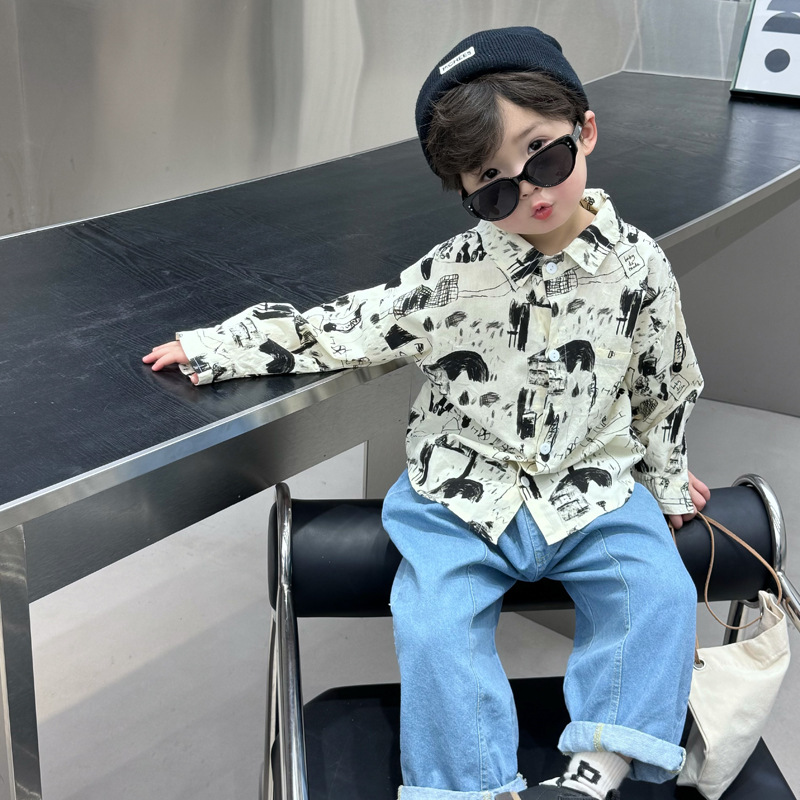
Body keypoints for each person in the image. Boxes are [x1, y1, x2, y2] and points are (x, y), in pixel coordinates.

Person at [144, 26, 710, 800]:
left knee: (659, 596)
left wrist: (668, 481)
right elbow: (344, 327)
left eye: (543, 155)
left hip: (594, 484)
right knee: (436, 624)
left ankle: (595, 770)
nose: (530, 191)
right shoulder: (451, 278)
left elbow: (663, 380)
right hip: (462, 495)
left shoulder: (639, 266)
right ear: (468, 194)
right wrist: (218, 346)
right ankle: (471, 788)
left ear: (585, 129)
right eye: (494, 185)